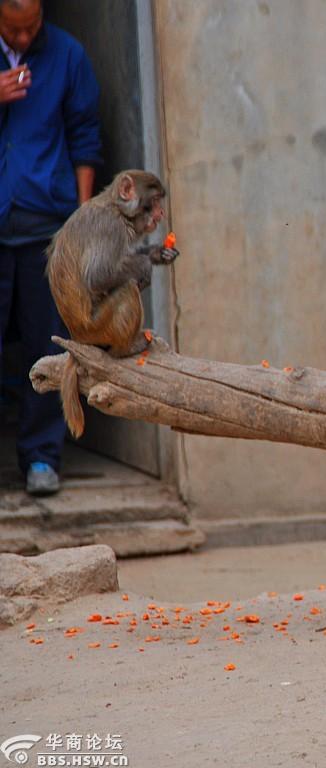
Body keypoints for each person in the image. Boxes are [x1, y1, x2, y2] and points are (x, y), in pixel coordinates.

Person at [0, 0, 101, 495]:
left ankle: (42, 458)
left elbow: (85, 135)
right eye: (13, 30)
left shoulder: (67, 54)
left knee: (49, 346)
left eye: (31, 27)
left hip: (47, 228)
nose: (23, 39)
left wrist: (81, 217)